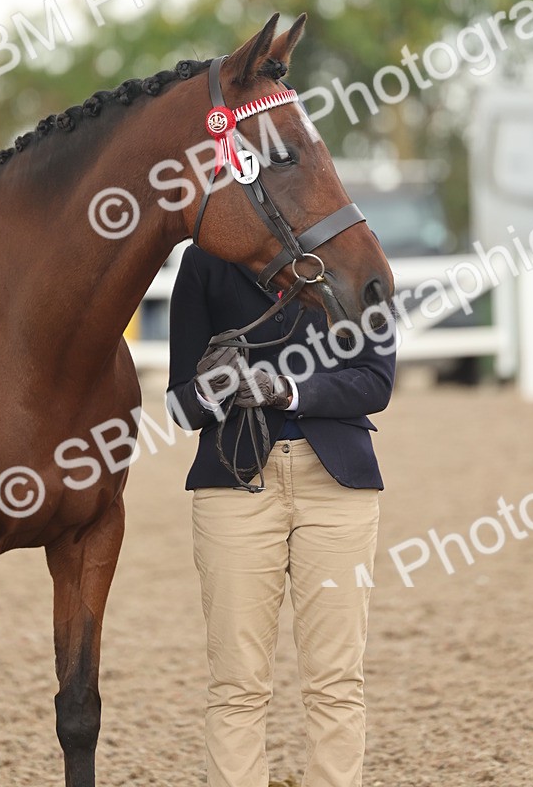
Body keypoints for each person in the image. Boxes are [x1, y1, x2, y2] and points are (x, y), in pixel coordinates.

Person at [167, 242, 396, 787]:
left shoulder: (358, 254)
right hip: (234, 487)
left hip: (337, 486)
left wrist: (287, 390)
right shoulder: (204, 263)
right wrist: (211, 387)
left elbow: (376, 381)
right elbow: (182, 406)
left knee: (336, 681)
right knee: (236, 683)